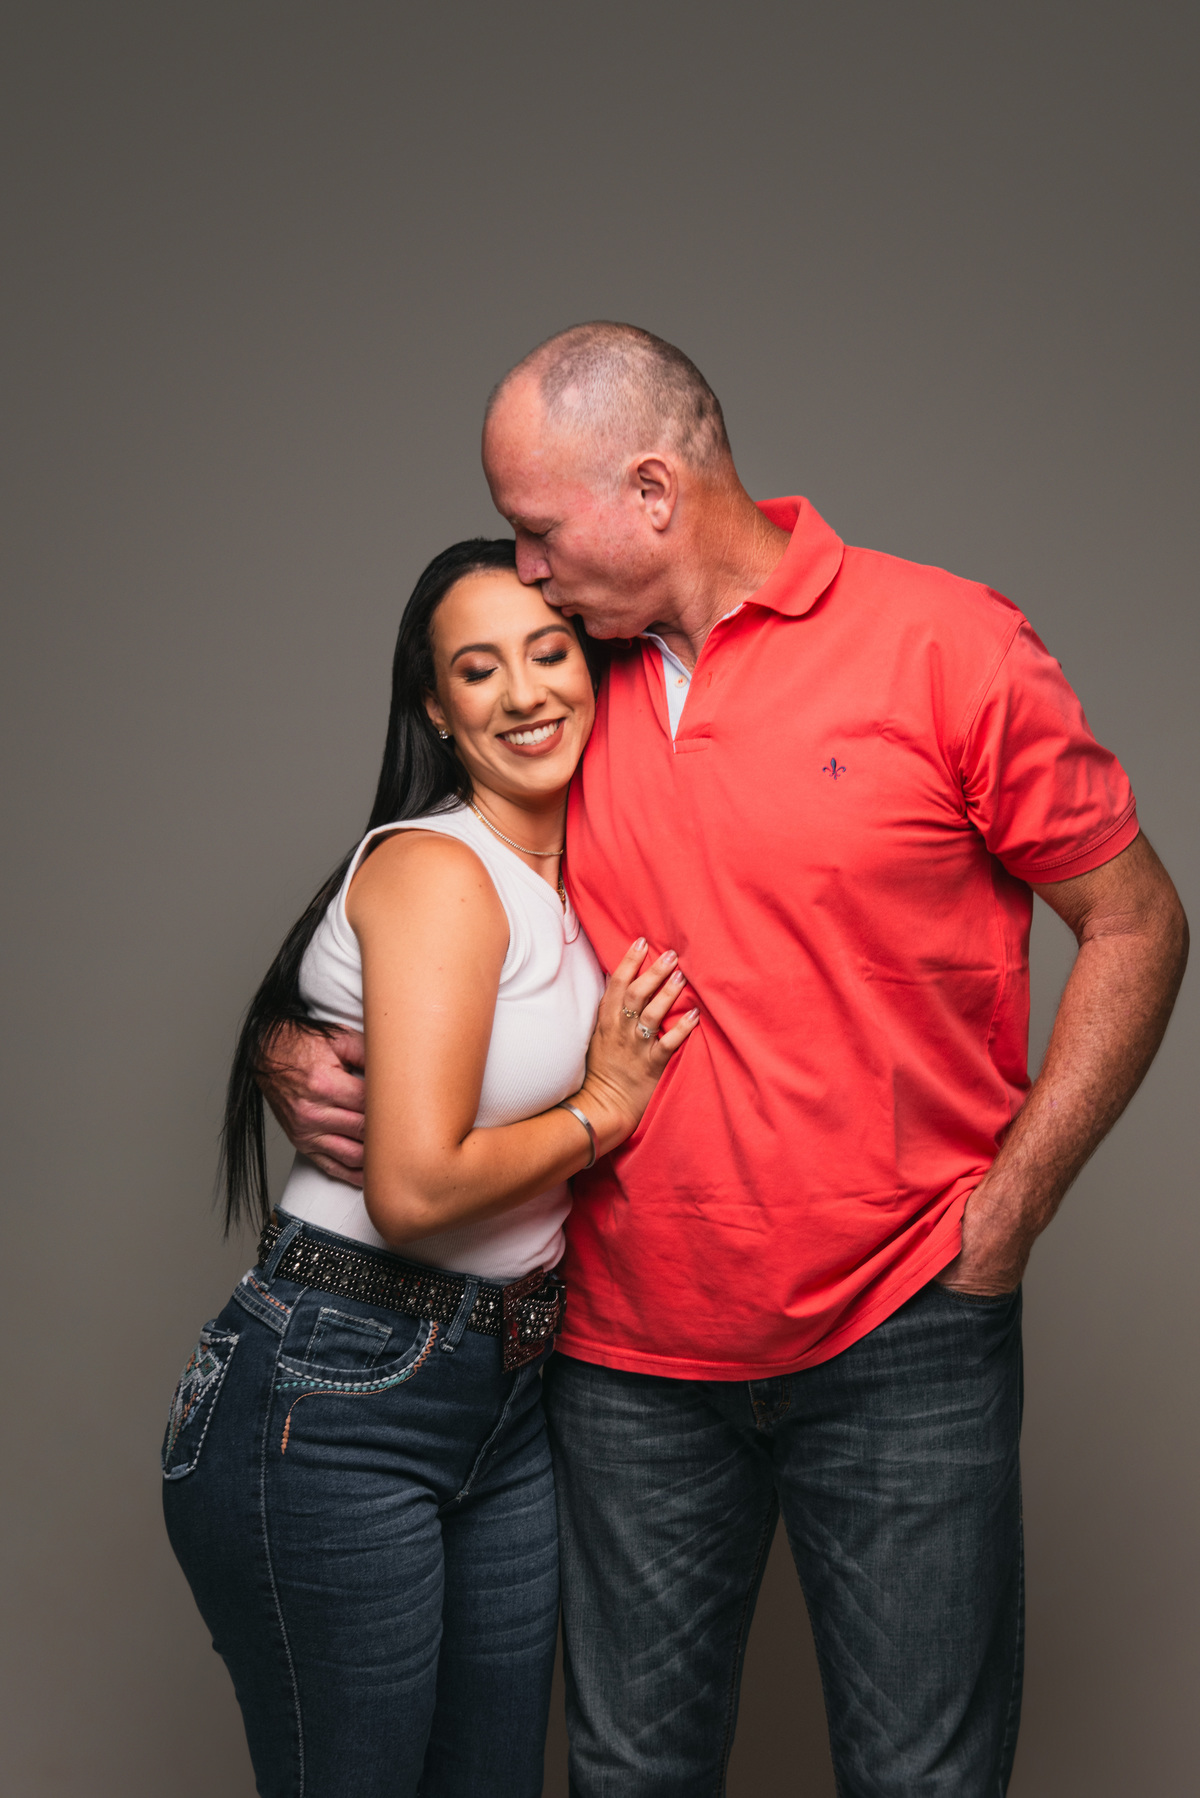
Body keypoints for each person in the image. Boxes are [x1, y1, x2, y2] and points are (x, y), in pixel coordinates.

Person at [261, 326, 1189, 1798]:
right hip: (624, 1357)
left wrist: (1013, 1209)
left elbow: (1137, 920)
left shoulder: (947, 645)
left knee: (923, 1778)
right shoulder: (568, 686)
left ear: (650, 491)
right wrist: (285, 1044)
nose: (527, 568)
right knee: (631, 1773)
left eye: (539, 528)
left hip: (906, 1328)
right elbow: (417, 887)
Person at [161, 535, 699, 1798]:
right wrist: (603, 1108)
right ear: (437, 711)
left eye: (549, 652)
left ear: (595, 669)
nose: (524, 692)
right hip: (339, 1385)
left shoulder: (570, 882)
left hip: (502, 1393)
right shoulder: (441, 870)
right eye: (478, 668)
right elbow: (409, 1194)